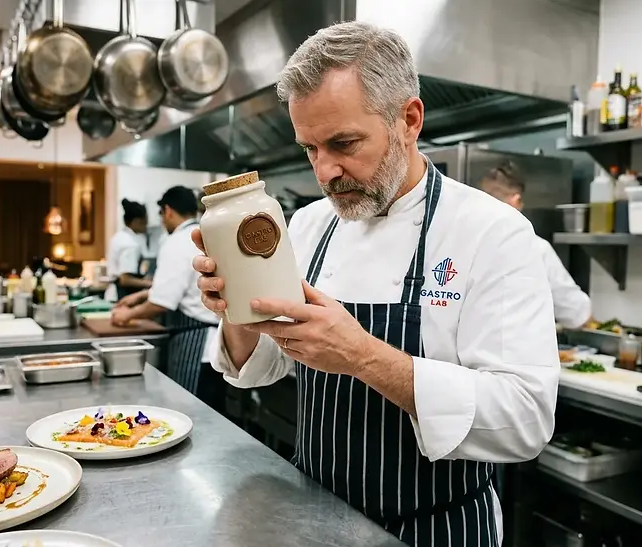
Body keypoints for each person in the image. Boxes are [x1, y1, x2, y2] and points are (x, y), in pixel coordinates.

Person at [192, 22, 559, 546]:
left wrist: (362, 354)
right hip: (315, 518)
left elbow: (525, 419)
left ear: (409, 119)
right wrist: (234, 308)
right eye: (310, 149)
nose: (325, 172)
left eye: (343, 143)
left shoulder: (492, 231)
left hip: (438, 528)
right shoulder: (309, 225)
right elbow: (260, 369)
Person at [111, 186, 223, 408]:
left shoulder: (177, 241)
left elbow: (162, 303)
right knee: (213, 416)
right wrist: (141, 295)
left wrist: (127, 315)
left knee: (191, 414)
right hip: (217, 346)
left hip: (196, 345)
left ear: (168, 211)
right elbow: (185, 285)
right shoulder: (206, 234)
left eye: (162, 215)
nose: (162, 221)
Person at [478, 163, 592, 329]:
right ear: (516, 200)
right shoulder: (534, 248)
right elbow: (575, 313)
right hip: (515, 350)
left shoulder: (462, 242)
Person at [106, 198, 152, 301]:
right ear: (136, 221)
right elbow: (125, 280)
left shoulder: (118, 237)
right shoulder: (130, 244)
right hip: (121, 296)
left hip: (112, 295)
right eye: (144, 223)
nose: (146, 226)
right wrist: (151, 284)